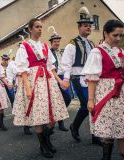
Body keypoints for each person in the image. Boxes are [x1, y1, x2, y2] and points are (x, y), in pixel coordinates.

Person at [83, 19, 124, 160]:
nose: (118, 39)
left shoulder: (120, 51)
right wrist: (90, 100)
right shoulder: (97, 52)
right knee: (108, 130)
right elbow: (92, 77)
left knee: (123, 130)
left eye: (121, 35)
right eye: (115, 35)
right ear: (106, 33)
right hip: (105, 93)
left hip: (121, 93)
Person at [12, 18, 69, 158]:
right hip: (34, 81)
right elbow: (23, 70)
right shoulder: (24, 46)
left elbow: (51, 67)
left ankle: (47, 140)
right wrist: (28, 88)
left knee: (52, 116)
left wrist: (60, 81)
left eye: (41, 27)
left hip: (48, 81)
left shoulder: (44, 46)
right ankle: (43, 145)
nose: (40, 29)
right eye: (37, 27)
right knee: (39, 116)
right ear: (30, 29)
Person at [60, 6, 102, 145]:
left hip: (92, 78)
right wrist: (66, 79)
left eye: (90, 26)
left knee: (93, 105)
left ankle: (94, 134)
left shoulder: (91, 43)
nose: (88, 28)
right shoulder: (72, 44)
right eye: (85, 26)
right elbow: (66, 64)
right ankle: (76, 127)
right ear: (79, 27)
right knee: (86, 105)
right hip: (78, 78)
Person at [48, 26, 71, 132]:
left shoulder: (61, 52)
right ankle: (53, 123)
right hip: (54, 78)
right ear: (51, 42)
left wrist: (67, 78)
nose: (57, 43)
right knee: (55, 101)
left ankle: (59, 118)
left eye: (58, 41)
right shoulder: (49, 52)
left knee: (67, 98)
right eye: (55, 41)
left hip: (62, 77)